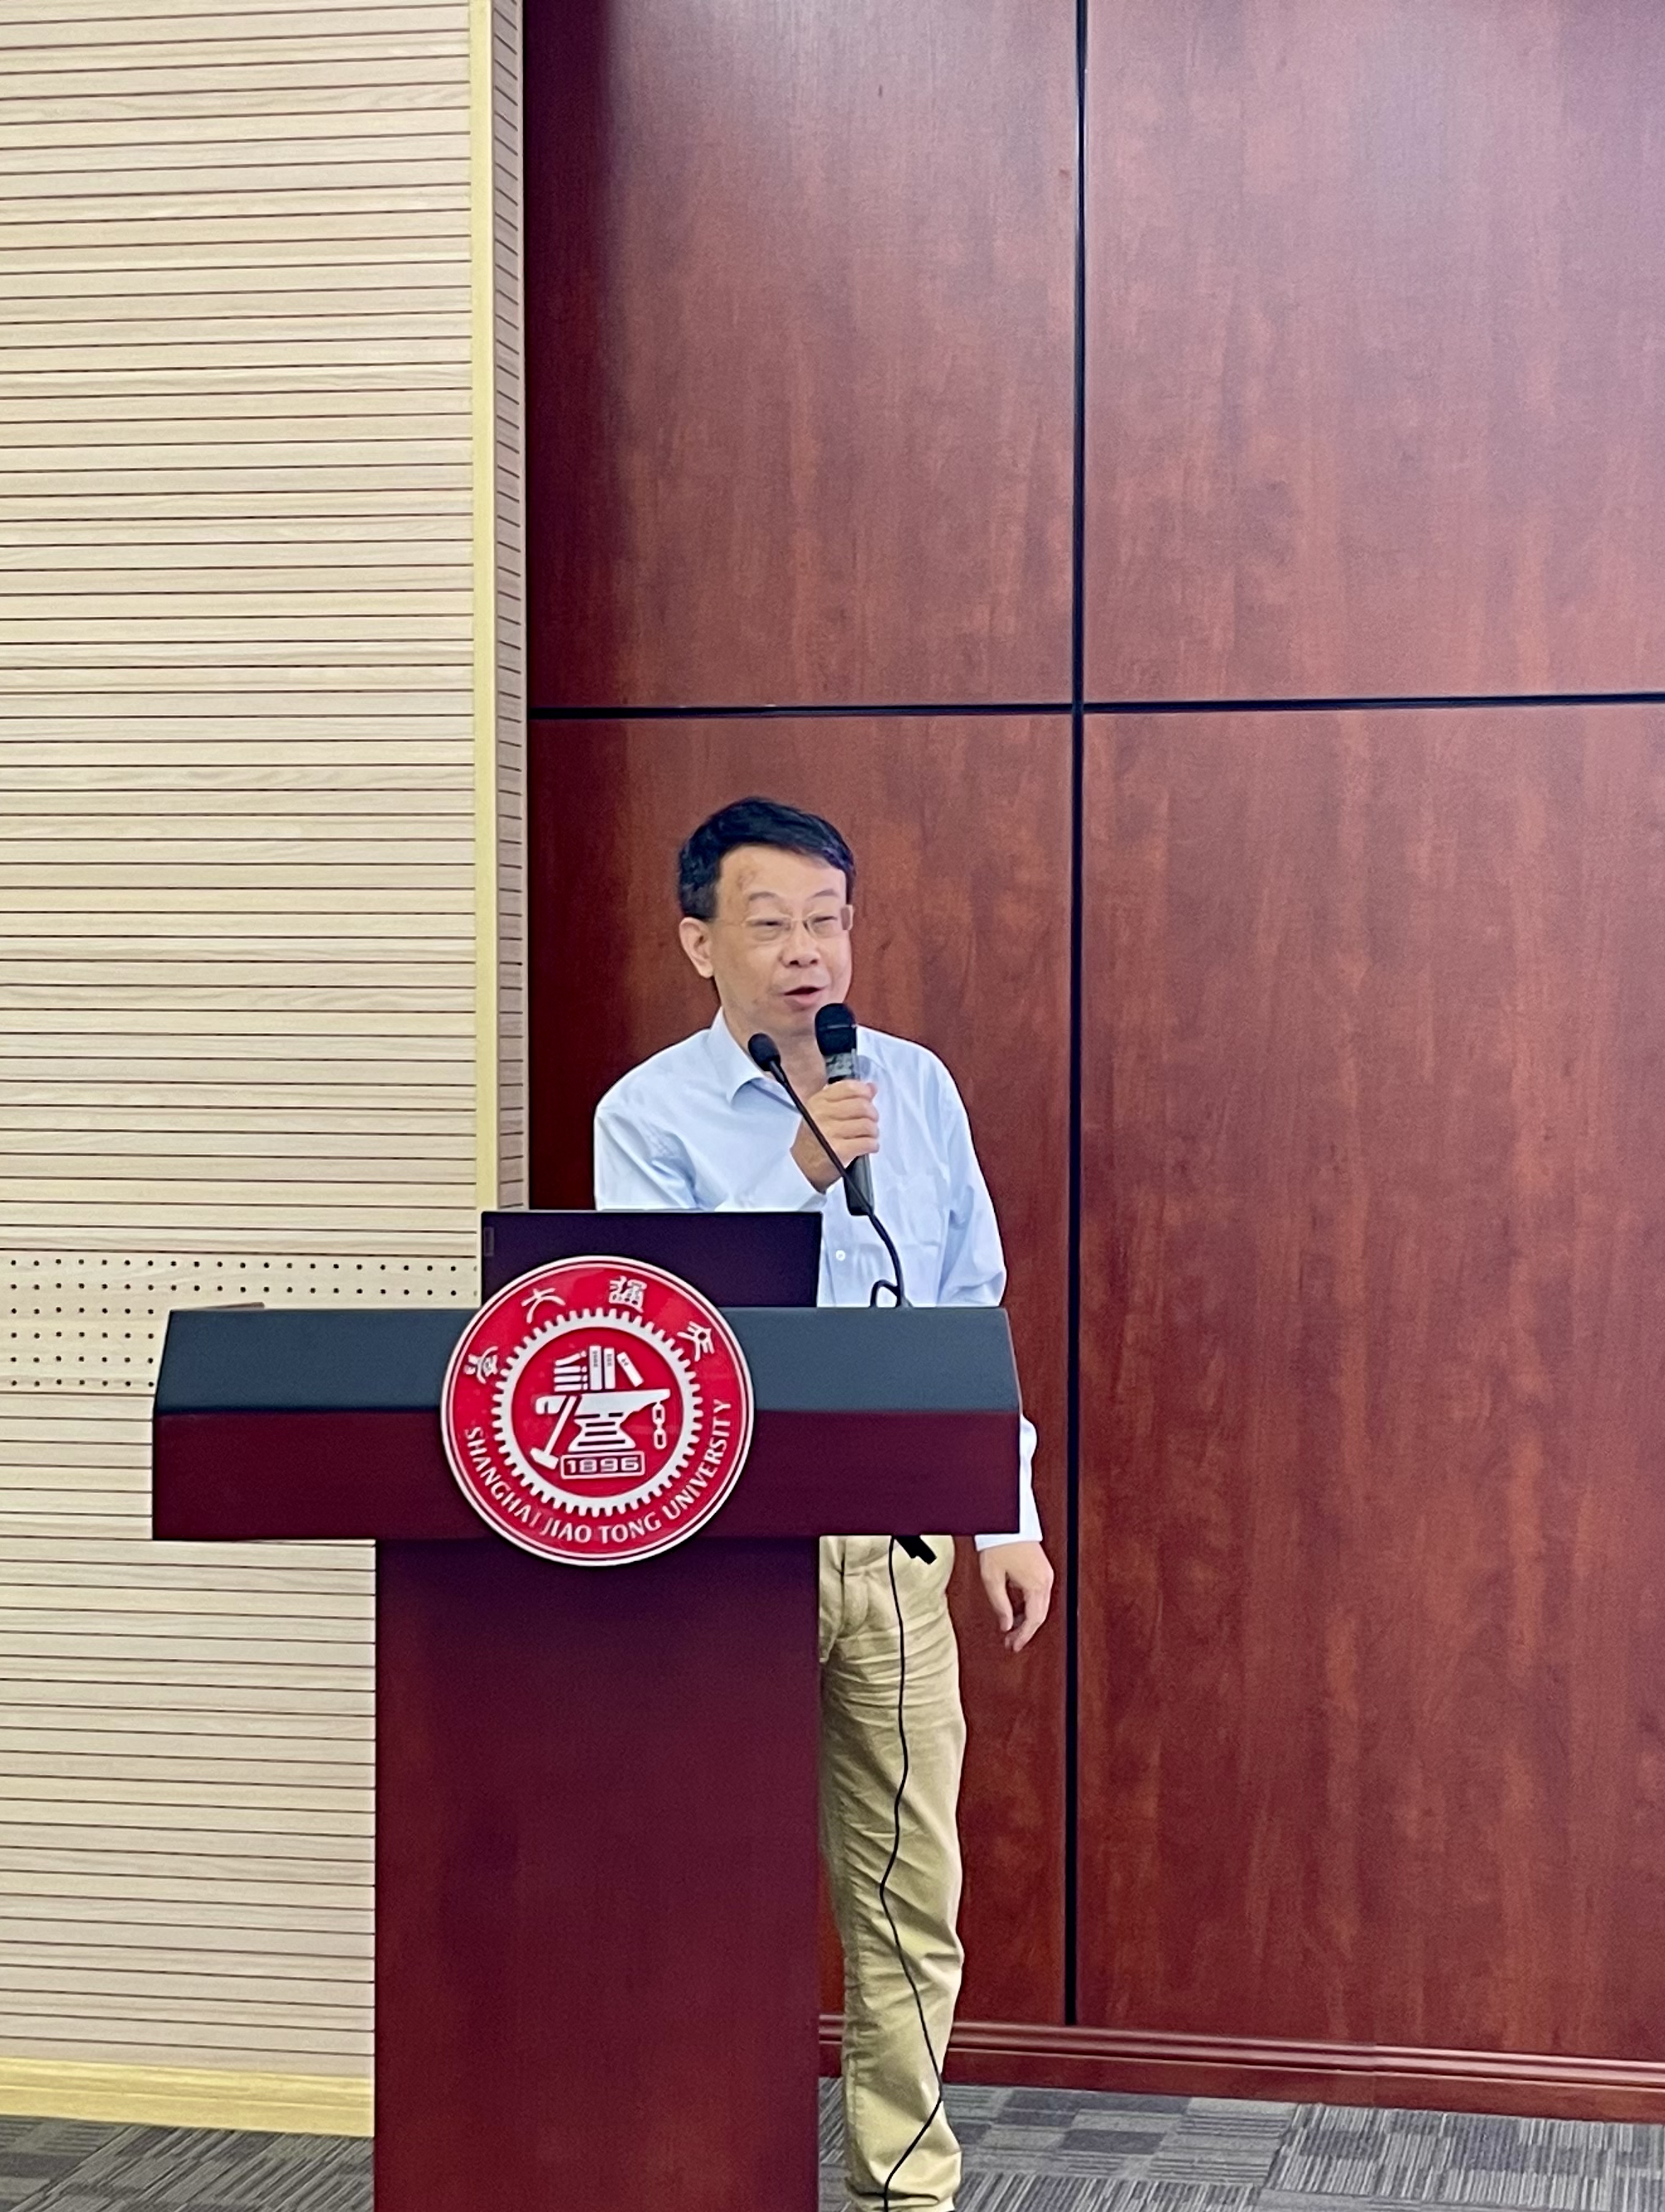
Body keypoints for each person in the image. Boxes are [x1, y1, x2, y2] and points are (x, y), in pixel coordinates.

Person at [590, 795, 1053, 2212]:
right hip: (724, 1551)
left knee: (911, 1889)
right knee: (707, 1874)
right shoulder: (646, 1115)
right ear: (700, 943)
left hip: (896, 1541)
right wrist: (799, 1172)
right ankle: (694, 2171)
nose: (807, 951)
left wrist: (1006, 1514)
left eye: (828, 921)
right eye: (771, 924)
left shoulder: (914, 1085)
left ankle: (907, 2184)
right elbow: (651, 1324)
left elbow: (968, 1302)